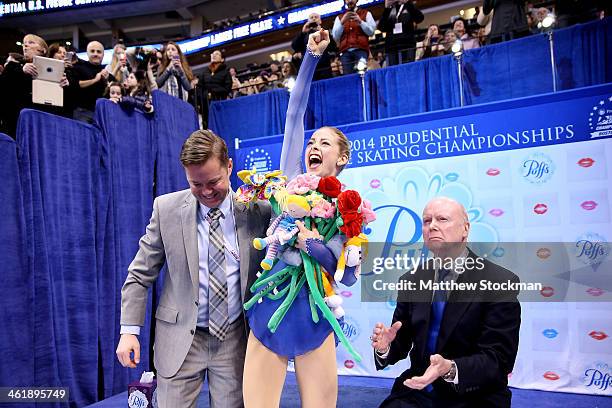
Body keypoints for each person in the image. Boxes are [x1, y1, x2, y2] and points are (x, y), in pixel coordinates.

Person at [242, 29, 358, 408]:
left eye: (324, 143)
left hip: (316, 314)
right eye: (312, 142)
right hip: (270, 307)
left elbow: (344, 272)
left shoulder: (348, 210)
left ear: (341, 158)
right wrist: (311, 56)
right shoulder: (291, 178)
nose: (313, 146)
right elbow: (294, 113)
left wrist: (311, 241)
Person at [116, 129, 272, 407]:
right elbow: (139, 275)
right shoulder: (166, 209)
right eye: (196, 184)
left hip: (235, 340)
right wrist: (129, 330)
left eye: (214, 181)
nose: (207, 192)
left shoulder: (259, 211)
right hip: (178, 340)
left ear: (230, 167)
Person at [371, 197, 521, 407]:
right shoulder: (411, 280)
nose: (432, 226)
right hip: (417, 390)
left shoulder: (499, 282)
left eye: (442, 219)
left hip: (474, 395)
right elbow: (401, 342)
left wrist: (449, 368)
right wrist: (385, 347)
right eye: (426, 220)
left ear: (465, 229)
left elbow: (498, 360)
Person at [0, 34, 69, 138]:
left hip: (43, 123)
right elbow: (4, 88)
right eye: (25, 43)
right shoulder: (13, 66)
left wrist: (64, 85)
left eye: (31, 42)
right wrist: (21, 70)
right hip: (16, 124)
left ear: (43, 50)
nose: (26, 45)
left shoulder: (55, 69)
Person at [332, 0, 377, 75]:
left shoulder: (366, 13)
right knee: (348, 77)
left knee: (363, 74)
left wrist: (360, 21)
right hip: (345, 53)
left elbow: (371, 32)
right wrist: (342, 21)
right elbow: (335, 37)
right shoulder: (339, 18)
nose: (350, 0)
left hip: (361, 50)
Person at [72, 40, 111, 123]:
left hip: (102, 115)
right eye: (92, 51)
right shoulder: (78, 67)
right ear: (87, 53)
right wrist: (95, 80)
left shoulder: (107, 73)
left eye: (99, 52)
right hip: (82, 112)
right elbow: (75, 85)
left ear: (103, 55)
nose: (95, 54)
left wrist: (106, 81)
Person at [378, 0, 424, 65]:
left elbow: (419, 18)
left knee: (408, 69)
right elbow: (381, 27)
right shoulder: (389, 9)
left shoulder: (408, 6)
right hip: (392, 47)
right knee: (394, 72)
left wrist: (407, 3)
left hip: (407, 45)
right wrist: (386, 8)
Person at [292, 12, 334, 80]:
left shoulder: (325, 32)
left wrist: (322, 33)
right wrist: (303, 32)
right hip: (309, 67)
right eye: (311, 17)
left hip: (324, 66)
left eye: (316, 17)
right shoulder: (304, 35)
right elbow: (295, 46)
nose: (314, 18)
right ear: (308, 22)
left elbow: (333, 47)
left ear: (320, 21)